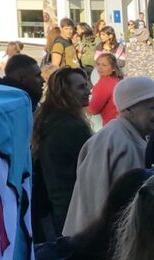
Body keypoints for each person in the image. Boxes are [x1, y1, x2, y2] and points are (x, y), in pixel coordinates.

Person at [64, 76, 154, 237]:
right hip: (102, 243)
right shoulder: (117, 142)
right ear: (129, 109)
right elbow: (109, 203)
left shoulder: (129, 136)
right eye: (151, 108)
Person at [32, 67, 93, 241]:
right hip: (71, 207)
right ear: (64, 92)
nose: (88, 91)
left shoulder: (49, 119)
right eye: (81, 87)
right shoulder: (71, 127)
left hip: (55, 206)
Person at [89, 52, 123, 125]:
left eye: (104, 65)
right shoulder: (117, 80)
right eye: (98, 64)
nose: (100, 67)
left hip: (112, 126)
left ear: (113, 68)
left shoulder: (104, 84)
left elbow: (93, 110)